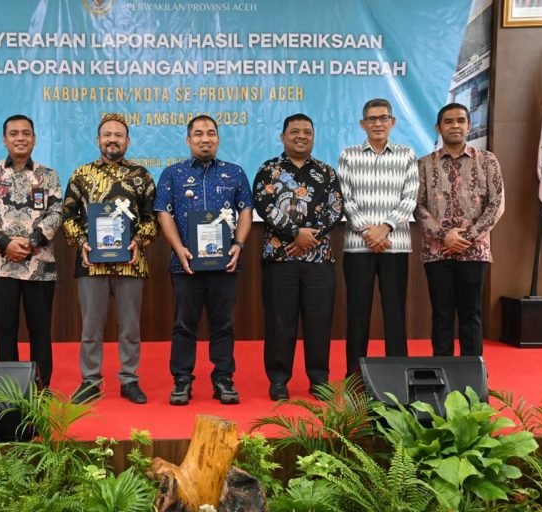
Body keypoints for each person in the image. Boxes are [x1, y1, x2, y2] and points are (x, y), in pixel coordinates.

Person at [154, 115, 253, 405]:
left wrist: (239, 244)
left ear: (218, 139)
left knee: (223, 324)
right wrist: (178, 248)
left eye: (211, 133)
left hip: (225, 264)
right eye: (198, 134)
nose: (205, 138)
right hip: (186, 265)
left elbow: (245, 210)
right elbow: (164, 213)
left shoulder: (235, 173)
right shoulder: (172, 174)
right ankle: (182, 381)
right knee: (184, 325)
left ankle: (223, 379)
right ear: (188, 140)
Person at [62, 113, 157, 404]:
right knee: (91, 328)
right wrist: (81, 242)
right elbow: (67, 216)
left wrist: (138, 241)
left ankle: (129, 380)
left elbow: (151, 218)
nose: (112, 139)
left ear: (127, 140)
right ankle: (90, 381)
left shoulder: (142, 176)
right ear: (98, 140)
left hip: (131, 262)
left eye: (118, 135)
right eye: (107, 134)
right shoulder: (81, 174)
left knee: (130, 327)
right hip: (91, 263)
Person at [253, 113, 343, 401]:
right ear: (283, 136)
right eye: (295, 131)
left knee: (319, 321)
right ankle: (279, 380)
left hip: (319, 259)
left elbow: (335, 209)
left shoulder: (327, 173)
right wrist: (295, 233)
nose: (301, 136)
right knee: (280, 321)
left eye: (307, 131)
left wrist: (309, 238)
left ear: (313, 137)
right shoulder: (268, 170)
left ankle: (318, 379)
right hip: (279, 259)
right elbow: (265, 206)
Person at [0, 115, 62, 387]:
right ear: (5, 139)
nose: (20, 138)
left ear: (34, 138)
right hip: (1, 267)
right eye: (14, 133)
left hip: (40, 266)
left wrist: (31, 242)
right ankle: (7, 389)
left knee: (40, 332)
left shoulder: (48, 175)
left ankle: (41, 387)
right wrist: (5, 244)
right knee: (5, 332)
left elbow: (56, 212)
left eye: (26, 133)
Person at [415, 103, 505, 357]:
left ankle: (472, 379)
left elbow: (497, 203)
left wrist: (468, 237)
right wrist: (444, 235)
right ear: (438, 127)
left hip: (474, 251)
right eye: (448, 121)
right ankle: (442, 376)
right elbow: (417, 206)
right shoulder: (424, 164)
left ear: (469, 125)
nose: (455, 125)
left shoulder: (487, 161)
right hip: (437, 252)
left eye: (460, 120)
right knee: (442, 314)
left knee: (471, 315)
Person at [337, 98, 419, 376]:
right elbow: (345, 198)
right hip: (358, 246)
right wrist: (368, 231)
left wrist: (385, 227)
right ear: (362, 124)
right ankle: (355, 375)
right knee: (357, 313)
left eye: (383, 118)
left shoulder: (406, 154)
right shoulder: (348, 155)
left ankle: (399, 374)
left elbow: (410, 197)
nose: (377, 123)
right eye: (371, 119)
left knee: (394, 314)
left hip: (395, 244)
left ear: (392, 122)